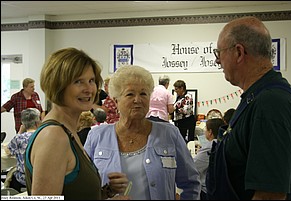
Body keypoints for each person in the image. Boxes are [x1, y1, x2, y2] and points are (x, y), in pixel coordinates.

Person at [207, 16, 291, 200]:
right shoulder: (256, 98)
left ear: (239, 53)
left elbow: (269, 195)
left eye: (219, 53)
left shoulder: (271, 104)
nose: (218, 61)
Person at [24, 47, 129, 200]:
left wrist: (107, 191)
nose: (89, 89)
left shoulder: (67, 132)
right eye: (78, 81)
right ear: (57, 85)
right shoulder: (54, 136)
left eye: (91, 81)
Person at [84, 65, 201, 200]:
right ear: (116, 101)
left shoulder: (170, 134)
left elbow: (191, 183)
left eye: (143, 94)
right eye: (130, 94)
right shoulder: (97, 136)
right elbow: (84, 189)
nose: (138, 100)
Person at [4, 108, 41, 192]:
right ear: (37, 122)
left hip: (23, 179)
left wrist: (20, 132)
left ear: (23, 123)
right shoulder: (43, 135)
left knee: (11, 174)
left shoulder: (19, 138)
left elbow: (8, 151)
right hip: (40, 179)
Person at [193, 118, 225, 200]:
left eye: (205, 129)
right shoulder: (222, 142)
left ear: (210, 132)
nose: (204, 132)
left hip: (207, 190)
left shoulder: (210, 147)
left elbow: (193, 167)